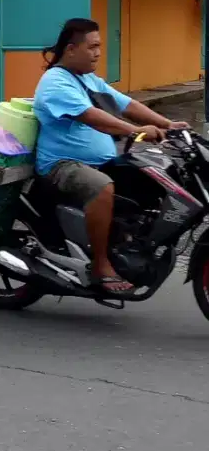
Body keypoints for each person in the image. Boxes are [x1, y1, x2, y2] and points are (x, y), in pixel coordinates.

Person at [33, 18, 189, 295]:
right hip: (62, 164)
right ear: (71, 49)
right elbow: (93, 118)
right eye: (92, 47)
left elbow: (125, 103)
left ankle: (129, 239)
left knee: (151, 175)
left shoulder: (87, 79)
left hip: (99, 160)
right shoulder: (56, 82)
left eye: (100, 47)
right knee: (101, 187)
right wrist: (135, 131)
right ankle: (100, 265)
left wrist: (167, 124)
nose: (98, 53)